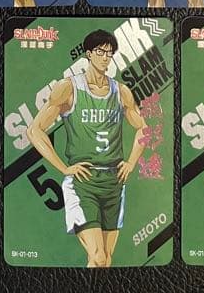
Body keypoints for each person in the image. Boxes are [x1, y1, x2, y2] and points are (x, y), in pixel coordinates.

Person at [25, 30, 146, 268]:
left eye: (109, 53)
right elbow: (34, 130)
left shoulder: (121, 91)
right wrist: (63, 168)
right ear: (89, 54)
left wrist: (131, 162)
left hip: (113, 181)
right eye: (100, 51)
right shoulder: (68, 88)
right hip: (83, 182)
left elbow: (144, 129)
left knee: (106, 260)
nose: (105, 57)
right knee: (98, 256)